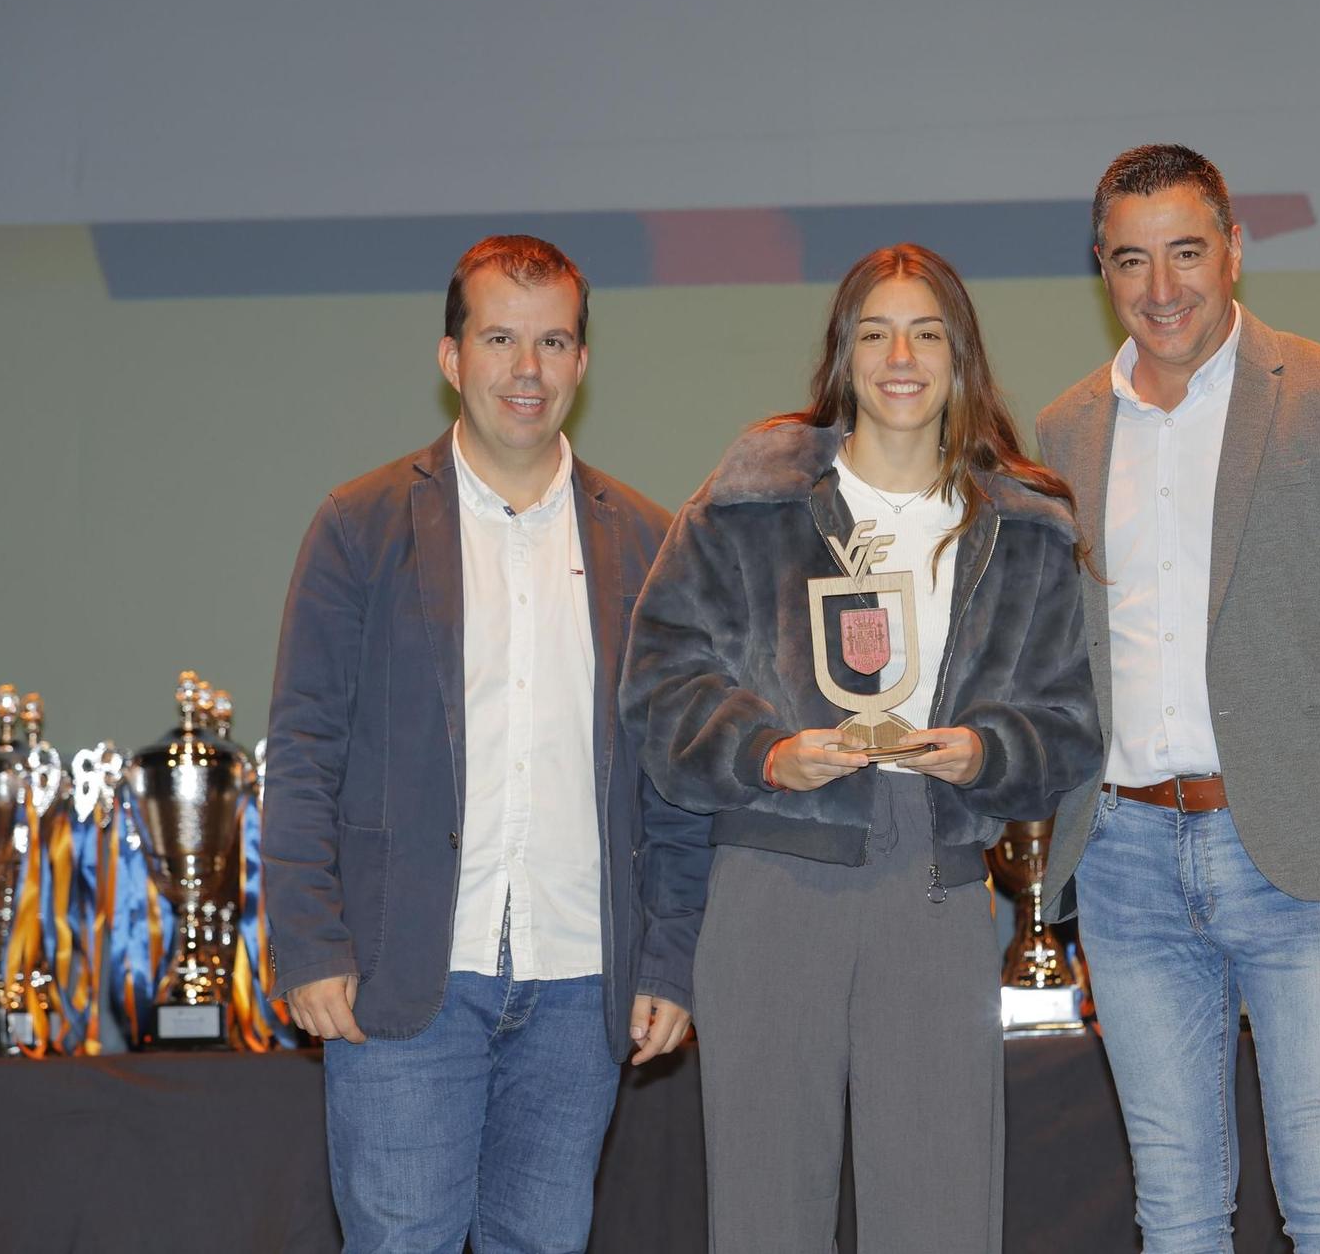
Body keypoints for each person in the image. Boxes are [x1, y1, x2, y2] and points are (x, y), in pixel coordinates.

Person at [622, 243, 1101, 1254]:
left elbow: (1066, 721)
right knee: (763, 1215)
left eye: (926, 332)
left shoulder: (1021, 524)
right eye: (874, 331)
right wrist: (764, 752)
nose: (900, 355)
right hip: (768, 872)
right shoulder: (747, 501)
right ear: (841, 355)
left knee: (938, 1210)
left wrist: (986, 750)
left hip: (931, 878)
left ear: (959, 358)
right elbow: (658, 685)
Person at [1036, 145, 1320, 1253]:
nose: (1161, 286)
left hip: (1309, 862)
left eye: (1186, 251)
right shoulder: (1062, 433)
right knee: (1173, 1211)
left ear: (1234, 249)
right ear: (1101, 268)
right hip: (1125, 862)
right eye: (1132, 260)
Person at [264, 234, 711, 1254]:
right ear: (450, 356)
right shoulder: (360, 525)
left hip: (579, 986)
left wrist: (673, 960)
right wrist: (311, 941)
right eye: (499, 338)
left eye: (552, 341)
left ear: (582, 364)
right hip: (403, 976)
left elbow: (677, 783)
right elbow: (302, 747)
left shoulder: (645, 543)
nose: (527, 369)